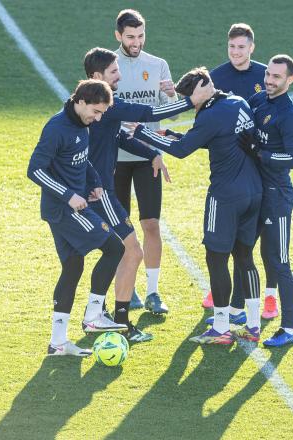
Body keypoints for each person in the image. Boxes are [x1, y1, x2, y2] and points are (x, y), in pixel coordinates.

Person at [83, 47, 213, 340]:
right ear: (97, 76)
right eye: (114, 72)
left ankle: (101, 314)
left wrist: (149, 152)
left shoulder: (97, 107)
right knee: (130, 251)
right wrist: (192, 101)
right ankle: (115, 320)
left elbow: (117, 137)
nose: (120, 76)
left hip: (96, 190)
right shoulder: (107, 105)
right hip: (98, 192)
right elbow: (150, 112)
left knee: (111, 252)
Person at [131, 67, 264, 344]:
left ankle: (220, 327)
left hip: (225, 197)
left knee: (216, 258)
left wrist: (144, 133)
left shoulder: (211, 114)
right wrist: (173, 134)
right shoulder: (237, 102)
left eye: (191, 100)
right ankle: (253, 325)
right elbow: (215, 139)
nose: (192, 106)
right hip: (253, 192)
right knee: (245, 258)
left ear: (200, 93)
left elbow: (182, 151)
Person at [27, 79, 127, 357]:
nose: (97, 119)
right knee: (115, 247)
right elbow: (34, 170)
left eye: (102, 114)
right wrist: (69, 195)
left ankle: (58, 343)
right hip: (64, 209)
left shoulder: (82, 125)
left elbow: (82, 159)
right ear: (80, 101)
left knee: (73, 266)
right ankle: (94, 315)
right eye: (95, 112)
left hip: (69, 206)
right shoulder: (57, 128)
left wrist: (93, 181)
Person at [203, 23, 278, 323]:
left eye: (242, 47)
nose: (236, 52)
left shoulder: (266, 75)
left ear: (252, 48)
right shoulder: (216, 77)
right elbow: (204, 116)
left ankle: (269, 296)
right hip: (230, 170)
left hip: (262, 170)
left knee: (263, 240)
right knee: (229, 237)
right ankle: (223, 293)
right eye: (232, 47)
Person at [113, 9, 177, 312]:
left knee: (151, 223)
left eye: (140, 36)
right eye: (130, 37)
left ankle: (153, 292)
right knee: (120, 226)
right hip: (115, 158)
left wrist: (171, 96)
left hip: (149, 157)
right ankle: (128, 290)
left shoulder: (158, 65)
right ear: (118, 36)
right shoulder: (108, 66)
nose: (136, 42)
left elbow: (172, 112)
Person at [239, 55, 293, 347]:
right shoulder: (258, 100)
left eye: (277, 77)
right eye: (268, 74)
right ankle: (240, 310)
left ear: (289, 80)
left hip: (277, 196)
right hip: (254, 192)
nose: (270, 80)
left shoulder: (290, 115)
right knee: (242, 250)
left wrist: (261, 153)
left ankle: (288, 329)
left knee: (279, 261)